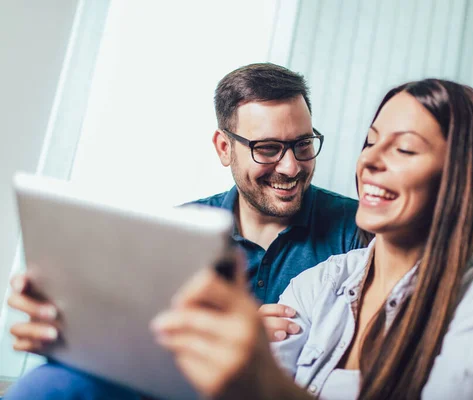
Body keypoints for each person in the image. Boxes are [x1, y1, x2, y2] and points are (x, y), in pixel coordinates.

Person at [150, 79, 473, 400]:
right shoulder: (323, 280)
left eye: (404, 148)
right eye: (370, 142)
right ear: (224, 147)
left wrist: (259, 373)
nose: (368, 161)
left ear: (459, 177)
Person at [4, 63, 364, 399]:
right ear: (225, 148)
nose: (291, 167)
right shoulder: (178, 232)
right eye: (267, 149)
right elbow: (139, 336)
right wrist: (67, 319)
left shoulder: (358, 229)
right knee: (54, 380)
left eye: (302, 145)